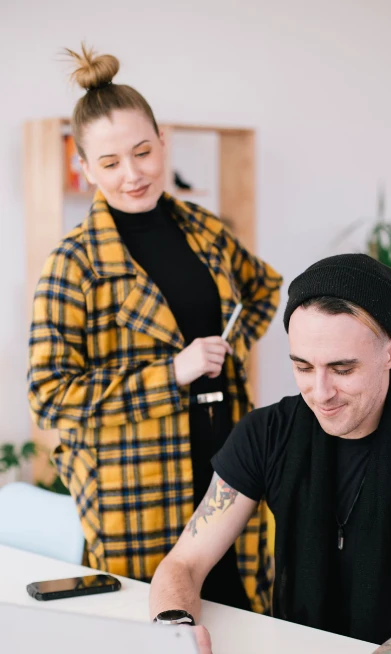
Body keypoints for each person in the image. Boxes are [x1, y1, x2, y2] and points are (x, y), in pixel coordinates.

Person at [27, 44, 282, 614]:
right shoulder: (72, 263)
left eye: (143, 152)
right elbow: (48, 398)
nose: (133, 174)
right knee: (154, 624)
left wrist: (228, 351)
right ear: (84, 167)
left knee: (244, 612)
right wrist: (172, 374)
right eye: (110, 163)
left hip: (228, 461)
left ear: (163, 141)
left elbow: (263, 288)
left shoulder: (203, 229)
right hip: (134, 486)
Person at [149, 254, 391, 654]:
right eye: (303, 367)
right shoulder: (266, 433)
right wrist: (175, 629)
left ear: (390, 353)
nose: (320, 393)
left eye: (342, 369)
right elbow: (183, 564)